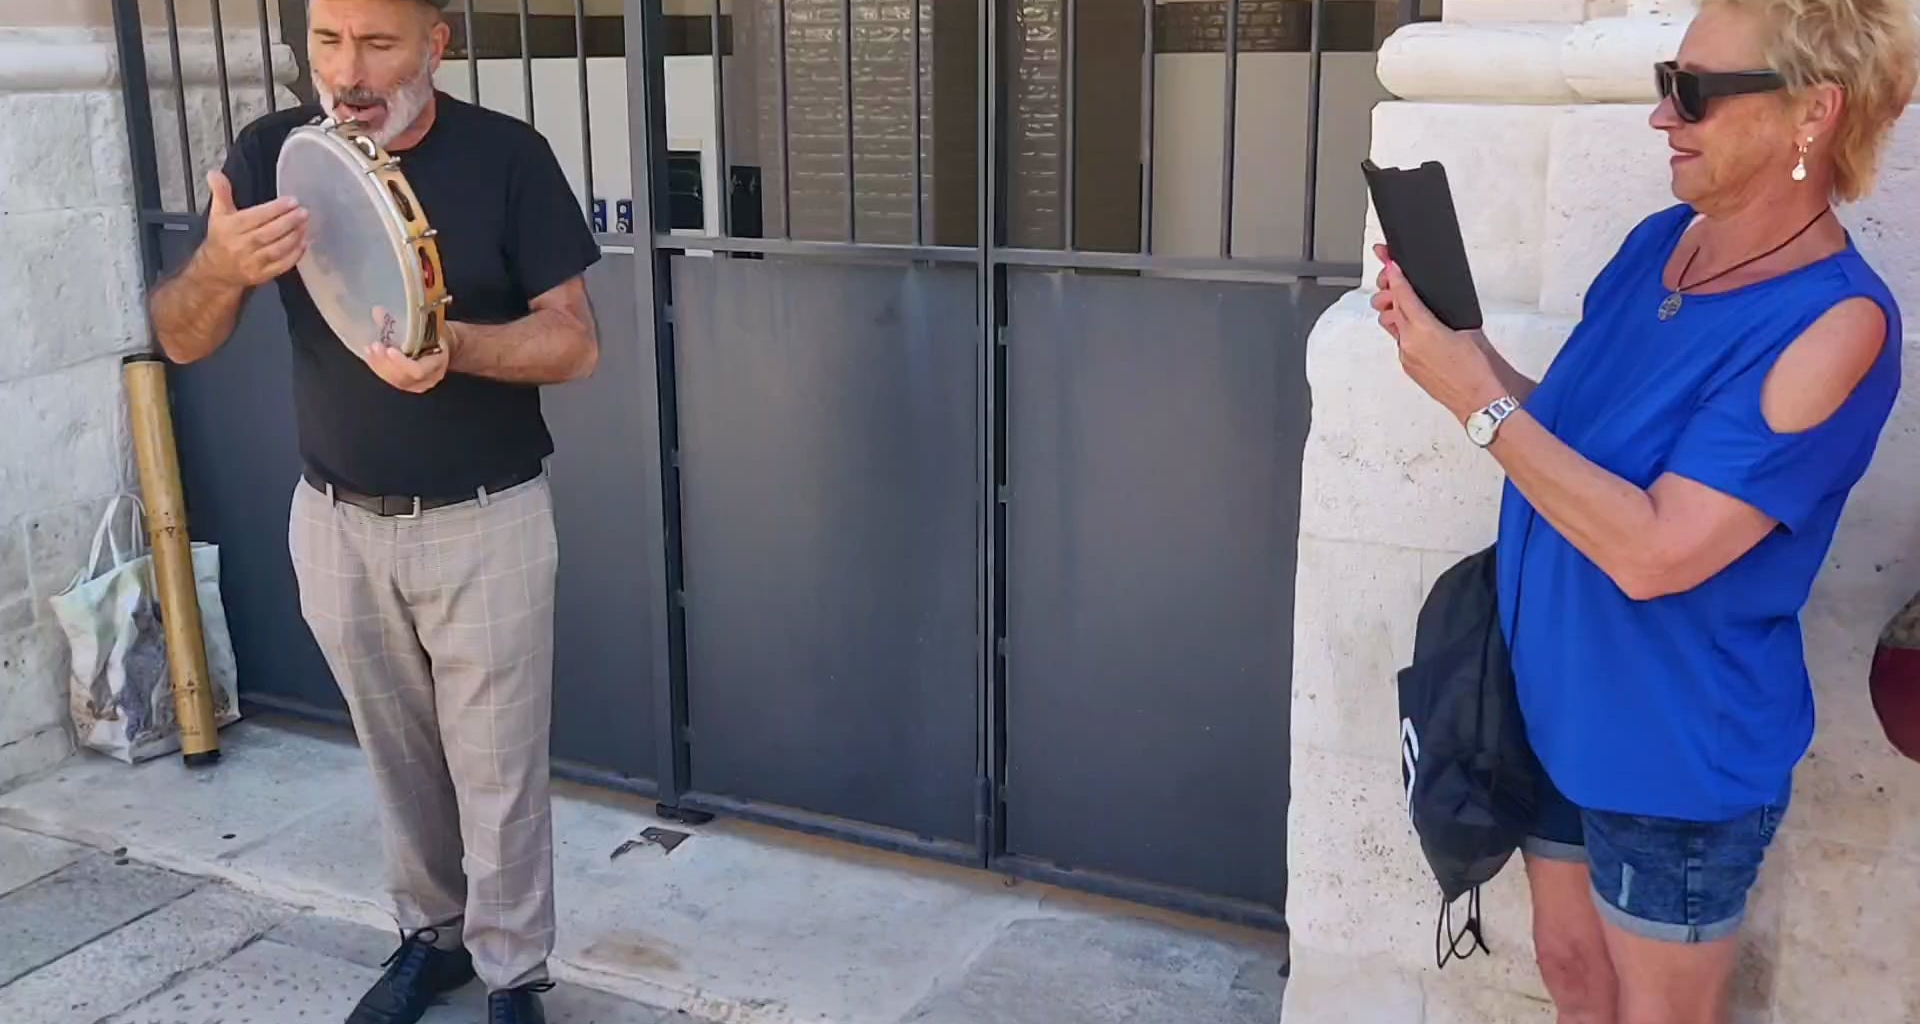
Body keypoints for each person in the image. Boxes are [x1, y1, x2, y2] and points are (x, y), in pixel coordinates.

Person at [1371, 1, 1914, 1022]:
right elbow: (1565, 440)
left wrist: (1470, 400)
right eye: (1671, 80)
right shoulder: (1659, 246)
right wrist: (1454, 352)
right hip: (1552, 707)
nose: (1664, 116)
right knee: (1575, 978)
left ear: (1813, 113)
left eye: (1695, 92)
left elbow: (1660, 550)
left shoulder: (1836, 322)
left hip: (1670, 756)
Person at [145, 0, 601, 1021]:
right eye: (326, 41)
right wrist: (218, 269)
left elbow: (575, 341)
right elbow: (179, 337)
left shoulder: (508, 158)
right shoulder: (276, 153)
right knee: (397, 760)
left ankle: (513, 973)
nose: (348, 71)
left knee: (499, 772)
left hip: (487, 519)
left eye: (380, 43)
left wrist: (458, 349)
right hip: (338, 522)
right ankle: (430, 941)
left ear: (438, 43)